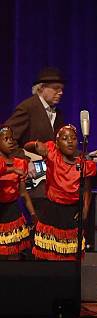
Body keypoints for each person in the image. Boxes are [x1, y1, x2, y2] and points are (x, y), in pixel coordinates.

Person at [24, 125, 97, 260]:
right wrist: (35, 145)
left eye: (73, 138)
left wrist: (85, 211)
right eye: (65, 138)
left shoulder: (84, 163)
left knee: (69, 256)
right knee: (47, 255)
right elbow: (27, 147)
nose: (70, 141)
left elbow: (87, 190)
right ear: (57, 143)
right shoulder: (51, 152)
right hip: (51, 211)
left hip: (71, 213)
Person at [4, 67, 66, 214]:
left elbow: (59, 146)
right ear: (42, 88)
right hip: (34, 184)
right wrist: (24, 159)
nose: (61, 92)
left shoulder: (58, 113)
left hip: (53, 183)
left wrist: (83, 156)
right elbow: (5, 138)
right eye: (56, 88)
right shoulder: (28, 108)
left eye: (62, 89)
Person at [0, 126, 36, 259]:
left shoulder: (20, 163)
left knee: (14, 253)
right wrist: (11, 170)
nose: (10, 141)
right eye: (5, 139)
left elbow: (23, 193)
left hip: (12, 212)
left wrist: (33, 214)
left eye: (12, 138)